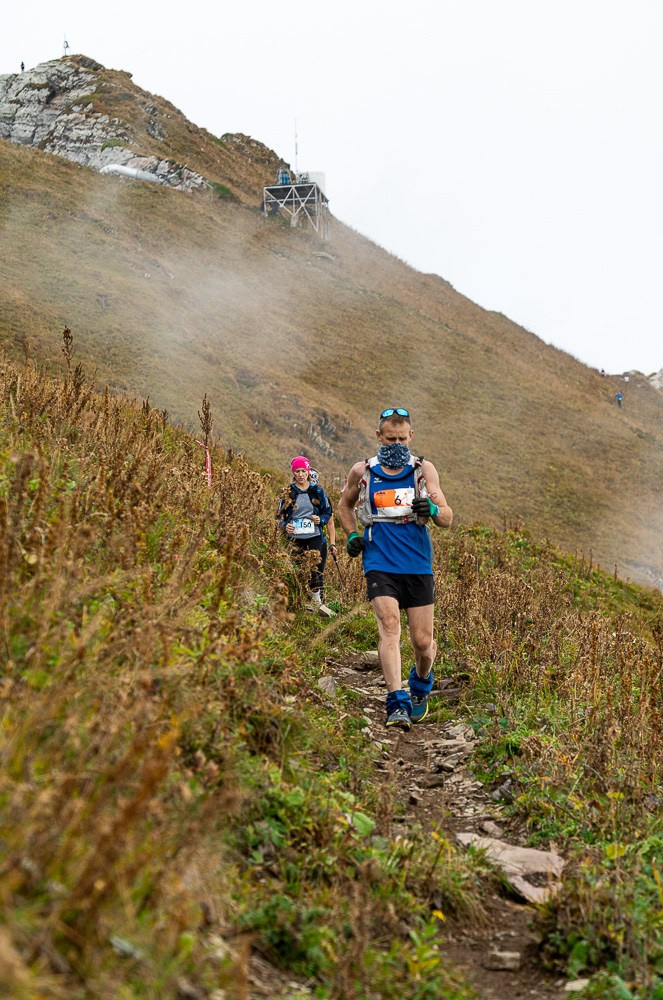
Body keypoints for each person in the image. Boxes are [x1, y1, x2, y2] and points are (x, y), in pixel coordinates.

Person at [338, 407, 453, 730]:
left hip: (417, 563)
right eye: (391, 438)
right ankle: (396, 702)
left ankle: (421, 683)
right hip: (379, 561)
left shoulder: (422, 470)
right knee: (389, 626)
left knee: (422, 642)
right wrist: (351, 535)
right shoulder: (363, 472)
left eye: (403, 439)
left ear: (411, 437)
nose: (397, 444)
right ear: (378, 436)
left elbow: (447, 517)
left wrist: (431, 508)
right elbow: (344, 505)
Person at [278, 456, 335, 618]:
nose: (301, 474)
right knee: (297, 568)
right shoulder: (288, 492)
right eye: (297, 471)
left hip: (314, 535)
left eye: (303, 471)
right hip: (294, 537)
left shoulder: (317, 490)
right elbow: (279, 516)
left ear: (308, 471)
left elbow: (327, 511)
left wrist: (321, 519)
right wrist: (284, 525)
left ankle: (316, 602)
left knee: (314, 567)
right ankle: (299, 601)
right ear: (293, 473)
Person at [309, 469, 338, 559]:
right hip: (299, 538)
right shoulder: (295, 494)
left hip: (320, 539)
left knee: (318, 572)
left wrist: (332, 544)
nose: (312, 485)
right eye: (310, 482)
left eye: (314, 482)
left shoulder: (323, 498)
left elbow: (330, 523)